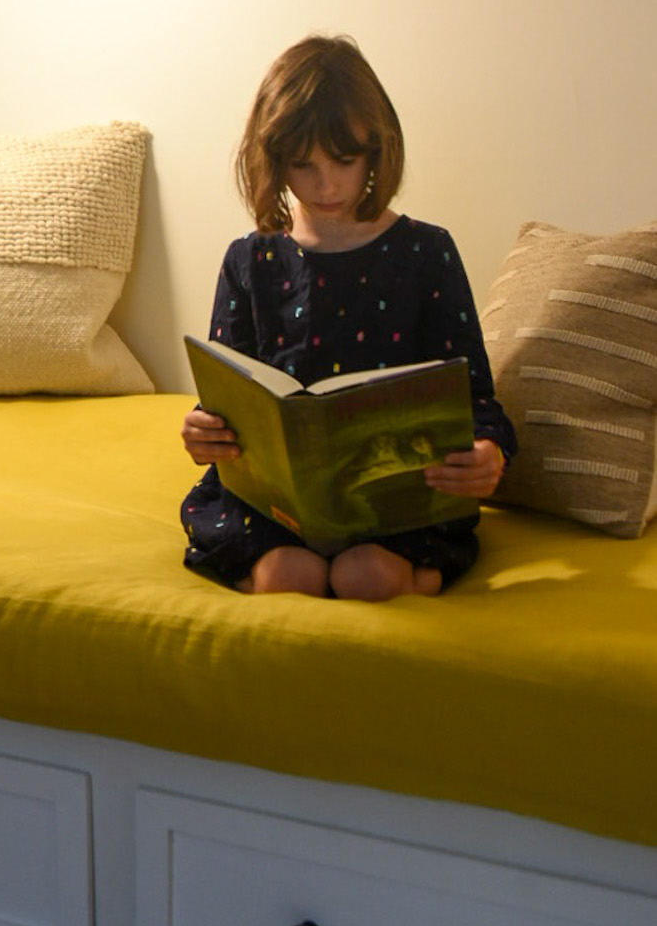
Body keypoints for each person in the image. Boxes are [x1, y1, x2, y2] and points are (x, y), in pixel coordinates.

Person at [181, 34, 515, 601]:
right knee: (291, 576)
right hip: (278, 507)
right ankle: (264, 571)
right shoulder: (250, 260)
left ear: (378, 149)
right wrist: (202, 433)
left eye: (344, 159)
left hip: (393, 503)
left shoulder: (425, 253)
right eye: (303, 164)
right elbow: (229, 397)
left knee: (365, 575)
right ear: (274, 159)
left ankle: (422, 576)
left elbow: (476, 398)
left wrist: (489, 455)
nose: (326, 184)